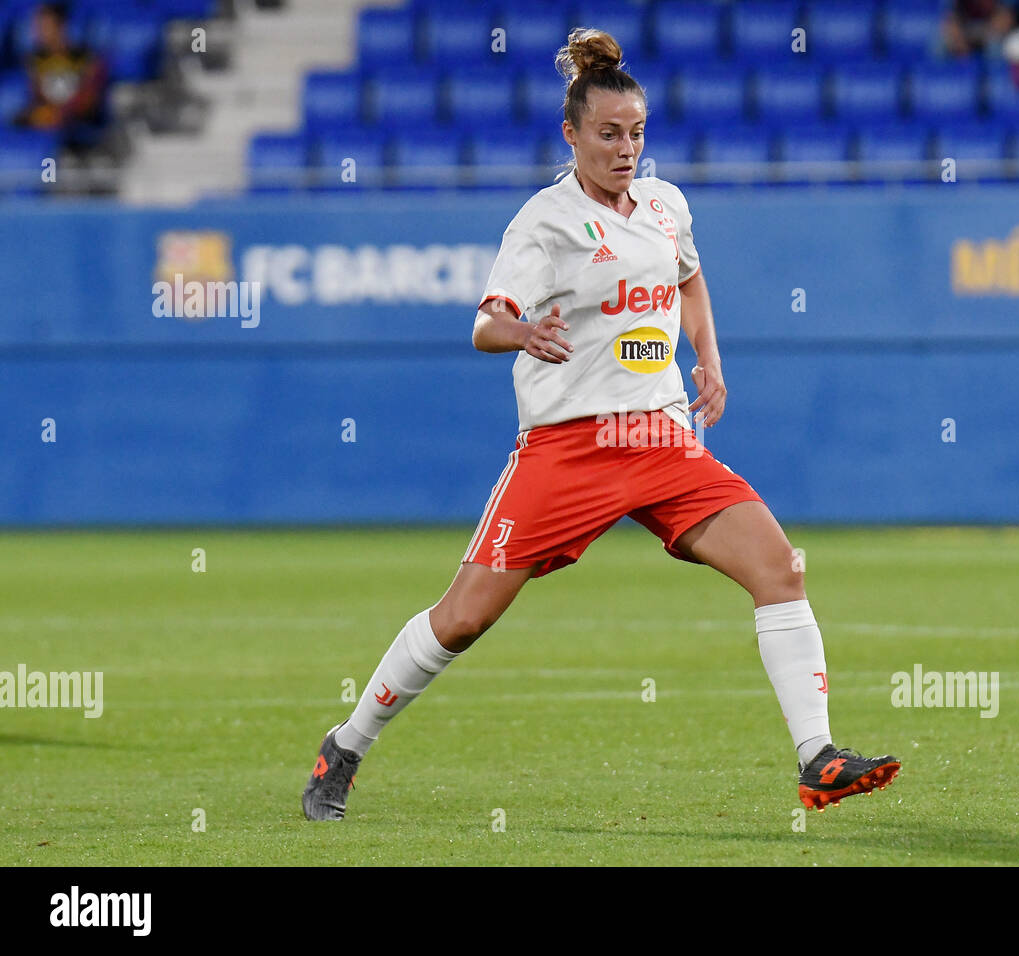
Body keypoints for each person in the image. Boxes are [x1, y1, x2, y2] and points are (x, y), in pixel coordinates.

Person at [302, 28, 900, 822]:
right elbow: (486, 324)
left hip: (658, 439)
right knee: (464, 618)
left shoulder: (663, 204)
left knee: (779, 567)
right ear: (572, 133)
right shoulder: (542, 224)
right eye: (609, 134)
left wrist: (710, 361)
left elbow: (689, 278)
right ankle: (345, 746)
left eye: (637, 133)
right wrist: (522, 332)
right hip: (569, 447)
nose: (625, 148)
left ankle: (817, 759)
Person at [15, 3, 107, 151]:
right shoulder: (34, 61)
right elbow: (37, 97)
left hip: (79, 125)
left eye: (44, 27)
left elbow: (89, 100)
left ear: (61, 26)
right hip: (49, 123)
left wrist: (64, 113)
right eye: (37, 27)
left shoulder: (87, 58)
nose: (38, 32)